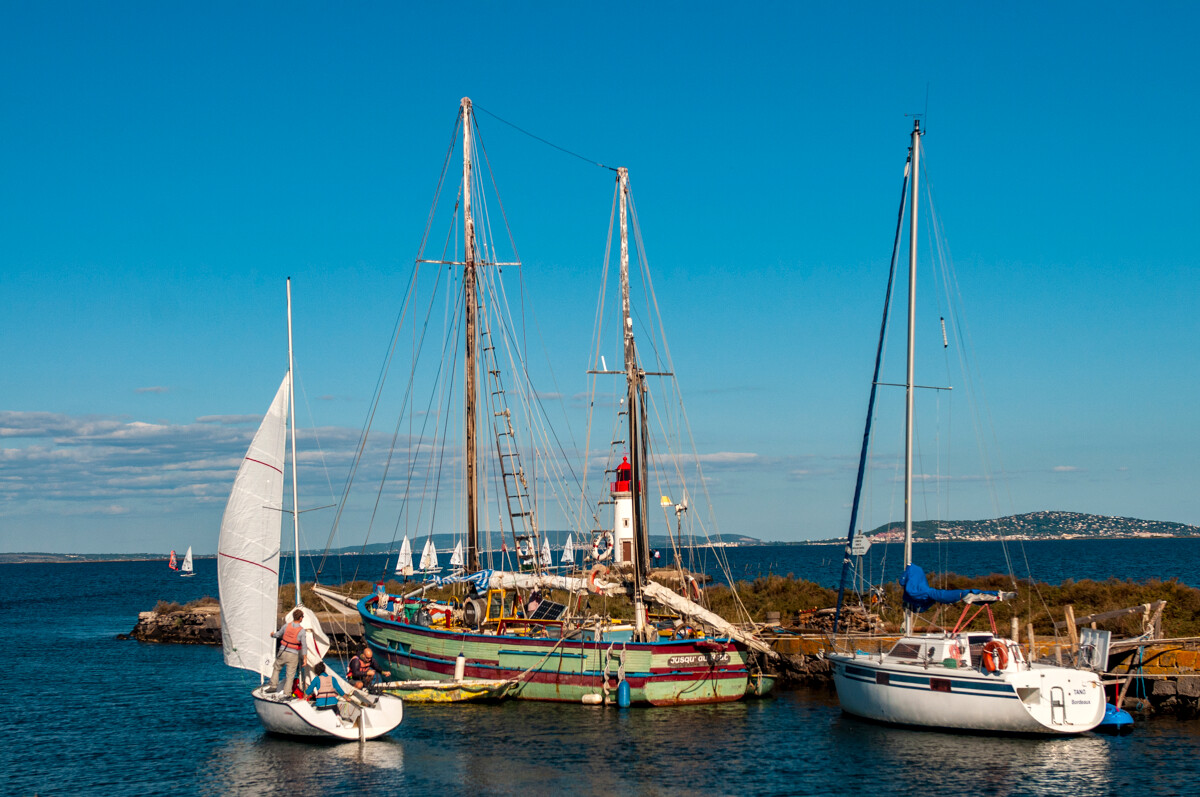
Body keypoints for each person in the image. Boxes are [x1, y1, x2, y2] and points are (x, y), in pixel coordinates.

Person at [265, 609, 307, 696]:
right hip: (293, 654)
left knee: (277, 668)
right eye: (302, 617)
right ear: (300, 618)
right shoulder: (301, 631)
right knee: (290, 675)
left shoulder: (286, 626)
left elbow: (278, 634)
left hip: (282, 651)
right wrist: (305, 659)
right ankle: (287, 693)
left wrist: (272, 634)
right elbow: (304, 645)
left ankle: (273, 686)